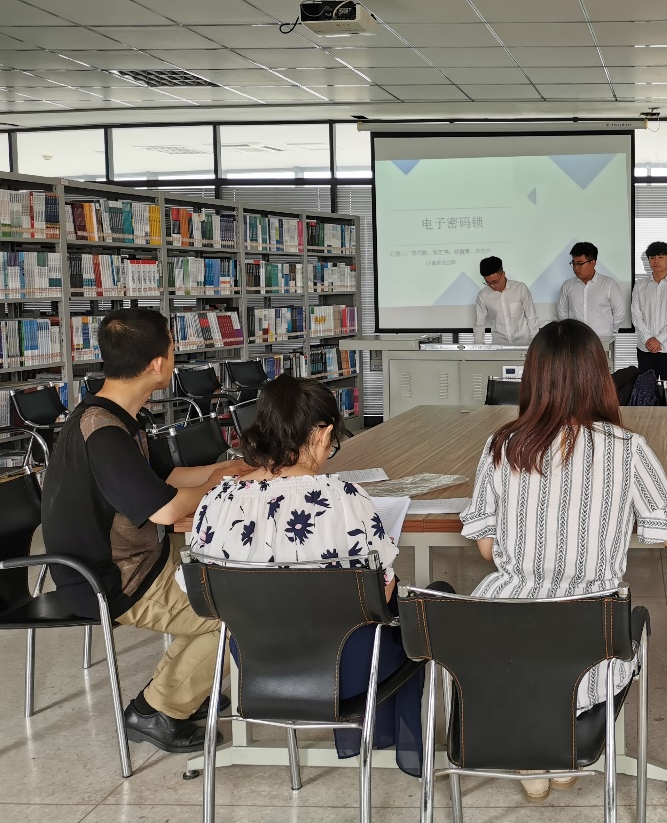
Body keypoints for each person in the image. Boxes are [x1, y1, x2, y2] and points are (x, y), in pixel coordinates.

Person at [458, 319, 667, 802]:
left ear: (533, 377)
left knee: (524, 641)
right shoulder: (625, 448)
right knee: (594, 643)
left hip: (499, 645)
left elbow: (487, 549)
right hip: (588, 647)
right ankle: (564, 742)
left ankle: (533, 752)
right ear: (599, 378)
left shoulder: (501, 445)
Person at [190, 375, 424, 776]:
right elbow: (382, 595)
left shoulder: (216, 500)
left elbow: (203, 598)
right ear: (321, 433)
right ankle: (390, 743)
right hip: (346, 670)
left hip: (257, 666)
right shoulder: (345, 499)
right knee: (411, 612)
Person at [40, 307, 248, 753]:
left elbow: (166, 478)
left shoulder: (113, 415)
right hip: (112, 579)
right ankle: (157, 710)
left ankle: (182, 686)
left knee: (237, 583)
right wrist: (215, 486)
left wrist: (227, 470)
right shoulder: (104, 434)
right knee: (244, 615)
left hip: (140, 560)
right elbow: (167, 510)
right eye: (172, 351)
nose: (174, 359)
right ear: (157, 364)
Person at [556, 241, 627, 355]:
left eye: (580, 264)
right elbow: (562, 312)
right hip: (575, 343)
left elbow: (619, 312)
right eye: (573, 263)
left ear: (593, 263)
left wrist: (609, 332)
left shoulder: (609, 285)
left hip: (601, 342)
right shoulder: (567, 285)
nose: (576, 268)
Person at [631, 241, 667, 383]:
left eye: (660, 257)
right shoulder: (640, 286)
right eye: (652, 257)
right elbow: (636, 315)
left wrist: (659, 339)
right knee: (646, 390)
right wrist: (648, 339)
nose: (656, 261)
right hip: (646, 348)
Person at [473, 255, 538, 346]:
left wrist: (535, 344)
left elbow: (531, 317)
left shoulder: (520, 289)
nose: (492, 285)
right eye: (487, 282)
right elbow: (479, 325)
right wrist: (479, 348)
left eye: (495, 282)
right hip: (499, 345)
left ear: (503, 274)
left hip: (523, 344)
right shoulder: (483, 295)